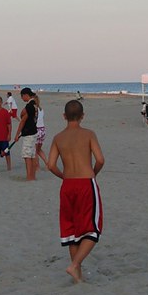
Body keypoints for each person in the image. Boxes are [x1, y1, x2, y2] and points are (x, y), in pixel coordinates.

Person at [46, 100, 105, 284]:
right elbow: (100, 159)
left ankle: (77, 276)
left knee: (72, 230)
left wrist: (63, 176)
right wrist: (93, 173)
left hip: (68, 185)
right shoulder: (88, 134)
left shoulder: (58, 138)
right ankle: (75, 265)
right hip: (86, 183)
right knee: (92, 229)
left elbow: (50, 165)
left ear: (64, 116)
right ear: (82, 116)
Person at [13, 87, 39, 181]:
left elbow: (22, 121)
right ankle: (32, 176)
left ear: (26, 95)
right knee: (32, 155)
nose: (21, 98)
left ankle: (29, 176)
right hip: (34, 132)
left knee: (27, 156)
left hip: (29, 133)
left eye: (22, 96)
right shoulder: (35, 104)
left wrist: (17, 135)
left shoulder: (29, 106)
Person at [33, 93, 48, 168]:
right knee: (39, 150)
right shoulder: (41, 109)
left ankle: (37, 166)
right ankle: (47, 163)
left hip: (36, 130)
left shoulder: (34, 109)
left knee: (34, 150)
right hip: (42, 130)